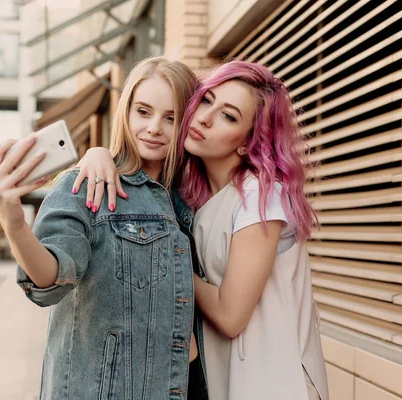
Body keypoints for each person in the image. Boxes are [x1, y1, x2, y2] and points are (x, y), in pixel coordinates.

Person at [74, 60, 329, 400]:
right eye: (207, 100)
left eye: (229, 116)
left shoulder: (260, 195)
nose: (206, 118)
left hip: (275, 379)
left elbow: (230, 314)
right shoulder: (191, 194)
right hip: (225, 377)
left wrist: (161, 258)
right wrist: (98, 154)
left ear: (246, 143)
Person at [0, 56, 208, 399]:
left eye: (171, 117)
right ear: (126, 112)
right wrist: (12, 221)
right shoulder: (91, 184)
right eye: (143, 112)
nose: (154, 128)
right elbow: (51, 278)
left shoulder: (190, 200)